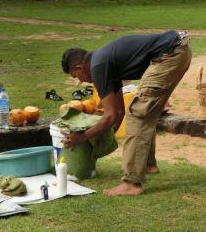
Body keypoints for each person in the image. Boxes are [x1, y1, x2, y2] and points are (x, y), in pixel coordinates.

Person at [61, 30, 191, 196]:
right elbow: (118, 112)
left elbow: (110, 116)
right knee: (146, 111)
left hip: (170, 53)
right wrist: (104, 137)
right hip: (178, 49)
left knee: (139, 114)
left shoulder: (98, 66)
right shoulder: (103, 62)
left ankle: (132, 183)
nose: (80, 81)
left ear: (80, 67)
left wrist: (83, 137)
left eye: (76, 76)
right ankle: (147, 164)